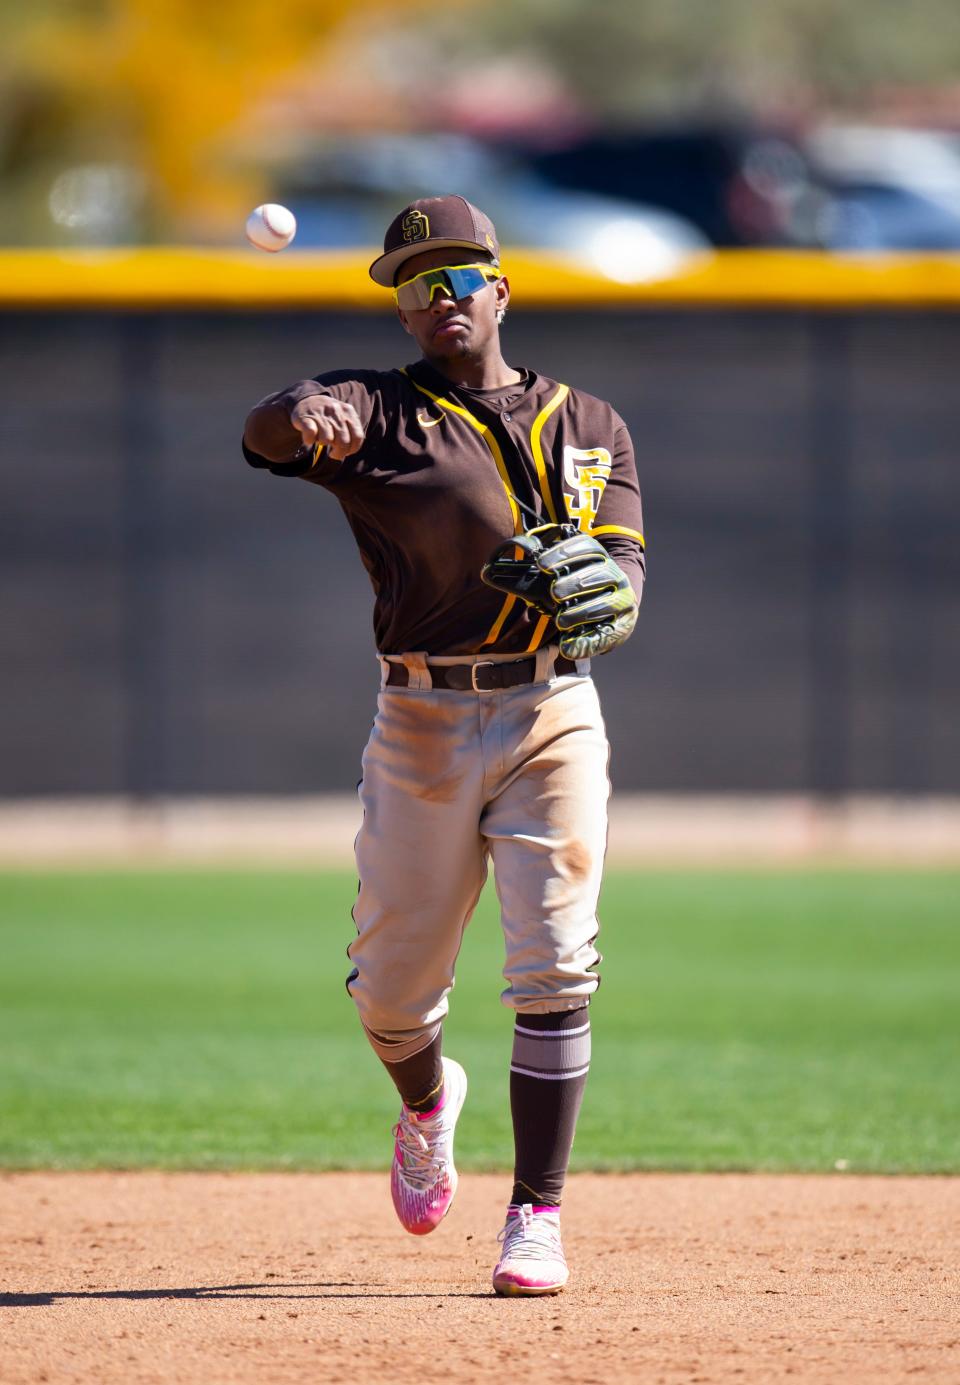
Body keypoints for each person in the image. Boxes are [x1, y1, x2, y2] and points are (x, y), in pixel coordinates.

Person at [242, 195, 645, 1296]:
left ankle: (538, 1214)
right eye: (412, 285)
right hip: (420, 720)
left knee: (556, 959)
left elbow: (625, 579)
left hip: (552, 711)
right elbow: (266, 435)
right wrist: (299, 408)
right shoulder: (375, 412)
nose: (435, 299)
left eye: (456, 277)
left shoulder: (592, 423)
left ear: (501, 289)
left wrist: (606, 594)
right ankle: (426, 1102)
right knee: (389, 990)